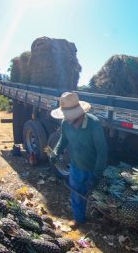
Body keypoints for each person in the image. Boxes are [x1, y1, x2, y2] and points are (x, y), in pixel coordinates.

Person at [50, 92, 108, 227]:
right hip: (76, 166)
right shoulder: (65, 123)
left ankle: (100, 219)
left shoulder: (94, 124)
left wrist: (96, 175)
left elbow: (102, 152)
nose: (70, 121)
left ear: (80, 113)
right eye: (67, 118)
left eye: (72, 118)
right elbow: (63, 140)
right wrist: (56, 152)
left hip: (93, 168)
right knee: (76, 194)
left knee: (96, 196)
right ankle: (79, 219)